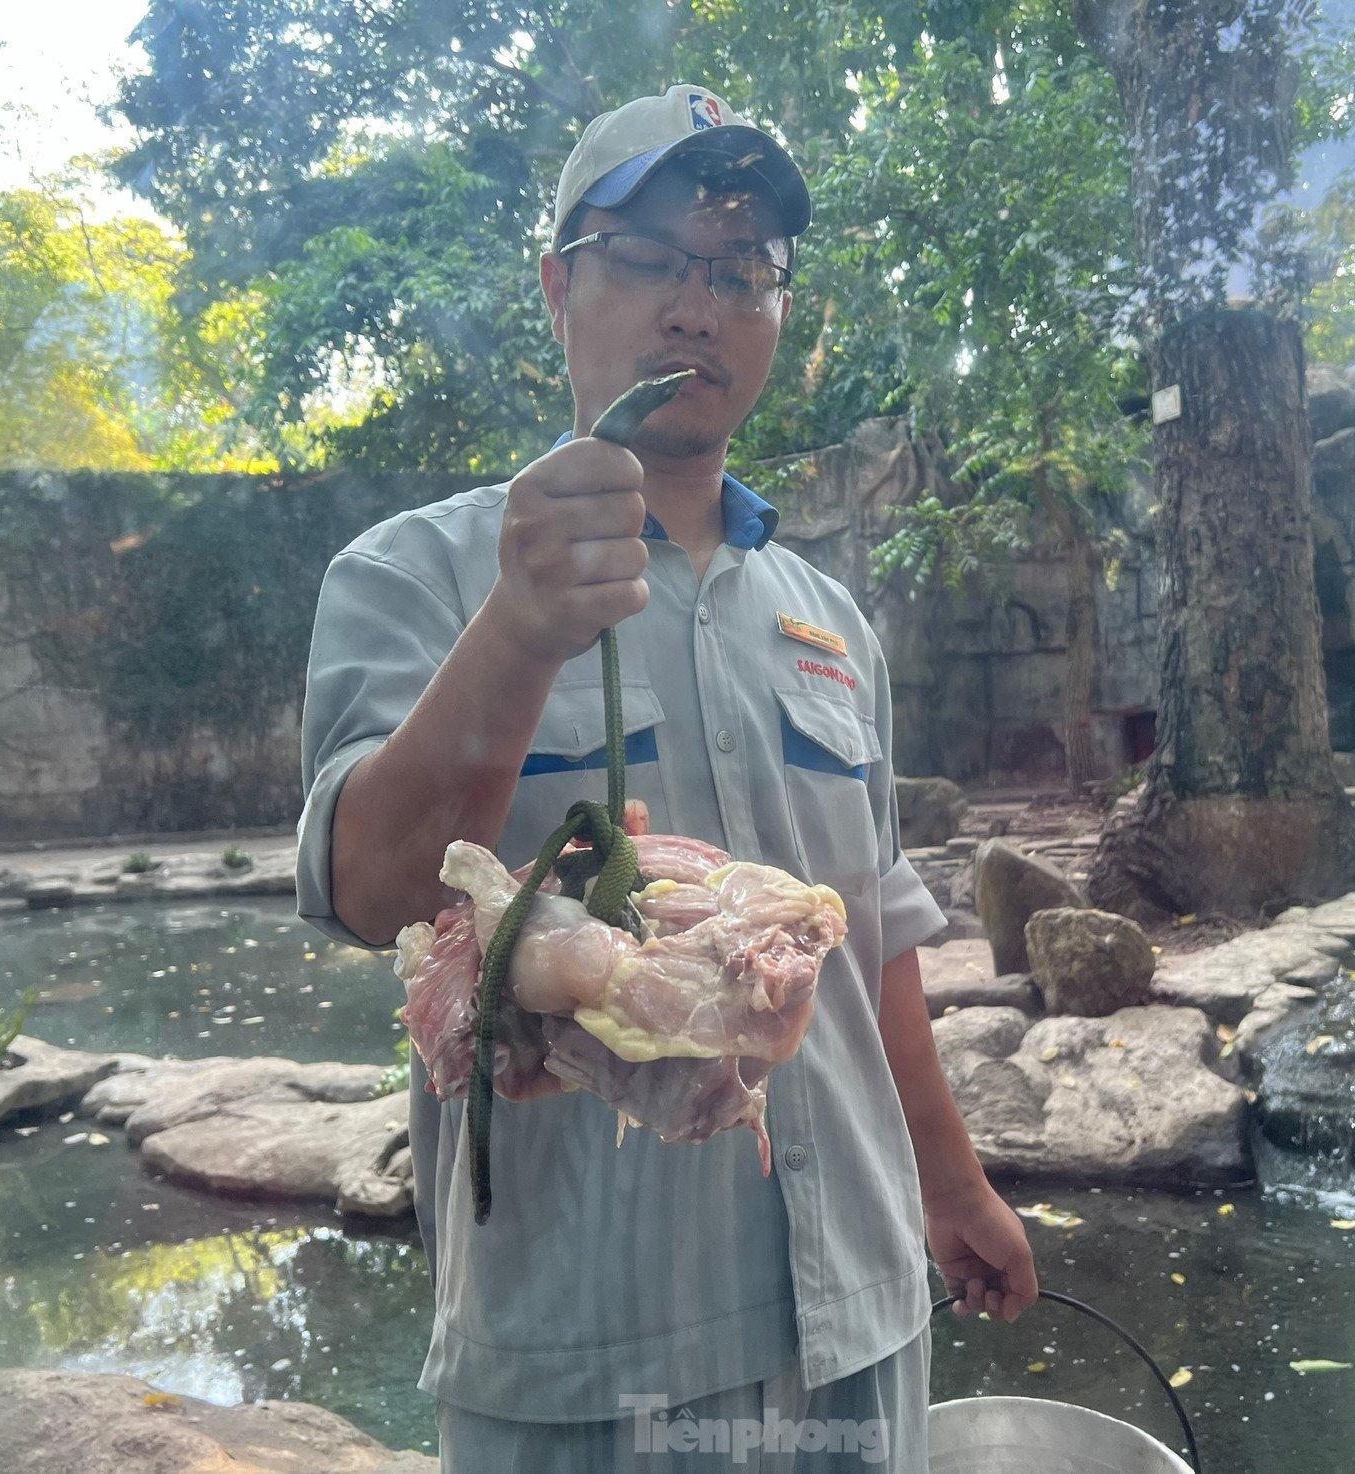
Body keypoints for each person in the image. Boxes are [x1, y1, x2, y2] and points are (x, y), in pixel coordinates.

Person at [296, 83, 1035, 1471]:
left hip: (857, 1320)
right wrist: (518, 629)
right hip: (582, 1348)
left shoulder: (828, 619)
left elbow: (866, 938)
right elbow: (365, 890)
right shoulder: (412, 576)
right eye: (649, 261)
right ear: (558, 284)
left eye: (740, 272)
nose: (697, 308)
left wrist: (950, 1181)